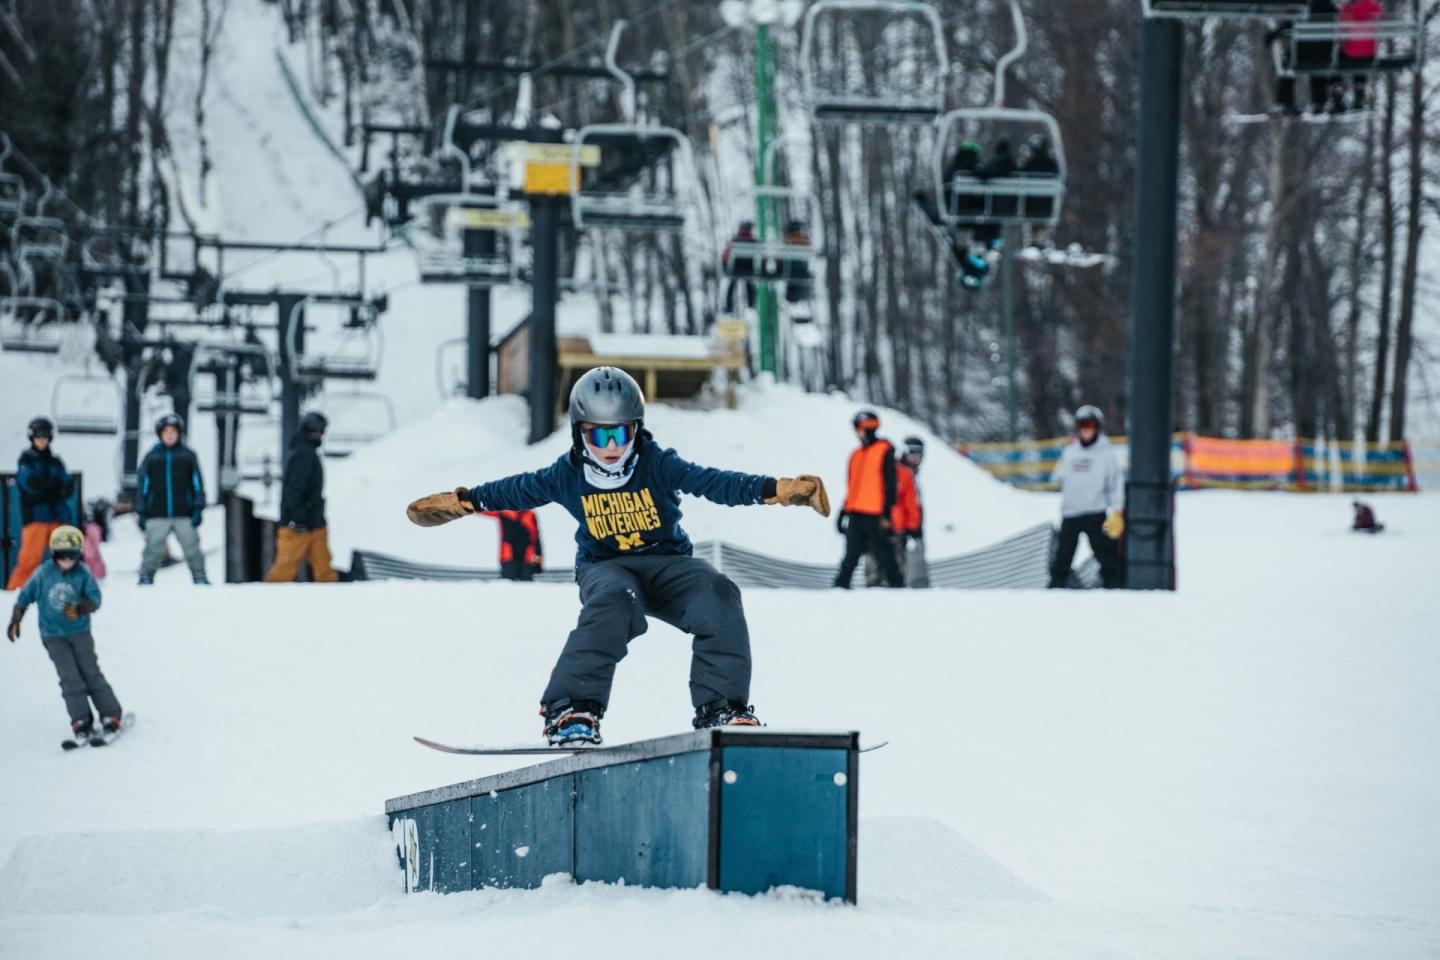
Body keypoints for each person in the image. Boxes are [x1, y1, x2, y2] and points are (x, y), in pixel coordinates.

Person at [404, 366, 830, 745]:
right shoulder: (566, 474)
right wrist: (466, 501)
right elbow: (516, 489)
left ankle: (721, 708)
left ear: (636, 429)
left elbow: (714, 482)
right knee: (613, 601)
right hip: (605, 568)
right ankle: (571, 707)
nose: (611, 446)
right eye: (599, 435)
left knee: (719, 592)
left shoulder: (657, 464)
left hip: (669, 564)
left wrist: (775, 489)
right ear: (580, 432)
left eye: (621, 433)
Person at [7, 525, 123, 745]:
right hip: (53, 636)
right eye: (62, 556)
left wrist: (81, 608)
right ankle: (80, 720)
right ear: (53, 553)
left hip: (79, 633)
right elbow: (25, 596)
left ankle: (111, 713)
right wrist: (16, 618)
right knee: (70, 678)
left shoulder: (82, 574)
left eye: (72, 556)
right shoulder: (43, 573)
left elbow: (95, 598)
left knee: (90, 672)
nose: (67, 561)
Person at [1048, 405, 1125, 589]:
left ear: (1097, 427)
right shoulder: (1070, 452)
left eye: (1089, 425)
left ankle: (1115, 588)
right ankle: (1055, 588)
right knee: (1063, 556)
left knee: (1106, 555)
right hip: (1071, 513)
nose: (1085, 429)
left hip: (1095, 512)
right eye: (1081, 425)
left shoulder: (1106, 454)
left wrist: (1117, 510)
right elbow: (1057, 477)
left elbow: (1115, 483)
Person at [264, 411, 339, 583]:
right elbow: (294, 490)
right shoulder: (303, 455)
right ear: (314, 431)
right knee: (284, 570)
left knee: (324, 569)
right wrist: (298, 517)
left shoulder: (306, 452)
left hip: (314, 521)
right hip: (298, 524)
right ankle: (267, 603)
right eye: (321, 431)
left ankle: (332, 603)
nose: (323, 435)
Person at [136, 413, 209, 585]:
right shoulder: (152, 457)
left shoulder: (187, 456)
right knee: (152, 548)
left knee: (192, 547)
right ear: (160, 434)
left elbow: (197, 483)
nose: (170, 435)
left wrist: (198, 508)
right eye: (166, 431)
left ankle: (200, 577)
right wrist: (141, 510)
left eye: (173, 431)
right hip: (157, 512)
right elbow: (143, 485)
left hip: (184, 511)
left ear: (179, 434)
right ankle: (146, 576)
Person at [834, 410, 904, 589]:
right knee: (850, 557)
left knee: (885, 556)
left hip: (875, 515)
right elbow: (853, 487)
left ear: (867, 427)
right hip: (856, 514)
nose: (855, 431)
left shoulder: (884, 450)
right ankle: (839, 590)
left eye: (858, 427)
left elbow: (890, 485)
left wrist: (887, 515)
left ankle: (899, 589)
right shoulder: (855, 455)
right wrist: (843, 512)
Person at [6, 417, 75, 591]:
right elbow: (29, 483)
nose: (42, 440)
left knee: (64, 557)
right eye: (38, 436)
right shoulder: (26, 460)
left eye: (45, 436)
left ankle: (64, 591)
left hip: (57, 517)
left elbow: (67, 484)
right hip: (36, 517)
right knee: (29, 559)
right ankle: (13, 593)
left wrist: (54, 489)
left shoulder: (55, 462)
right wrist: (53, 488)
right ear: (32, 437)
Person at [865, 436, 925, 587]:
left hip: (899, 528)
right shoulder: (896, 471)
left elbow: (912, 504)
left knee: (895, 572)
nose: (916, 458)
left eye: (919, 455)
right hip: (888, 526)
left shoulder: (909, 474)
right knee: (882, 570)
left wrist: (913, 526)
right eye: (912, 453)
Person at [1338, 0, 1384, 109]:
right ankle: (1359, 91)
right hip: (1369, 54)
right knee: (1361, 58)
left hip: (1350, 54)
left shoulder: (1347, 7)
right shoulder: (1373, 6)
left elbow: (1341, 27)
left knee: (1340, 55)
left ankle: (1337, 90)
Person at [478, 509, 545, 581]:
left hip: (526, 558)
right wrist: (471, 504)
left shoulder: (530, 514)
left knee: (526, 587)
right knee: (507, 586)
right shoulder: (504, 512)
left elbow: (536, 537)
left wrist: (539, 557)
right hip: (508, 558)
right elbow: (486, 509)